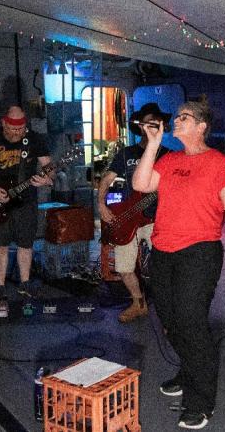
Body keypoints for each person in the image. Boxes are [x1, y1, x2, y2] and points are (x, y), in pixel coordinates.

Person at [132, 100, 225, 429]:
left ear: (202, 126)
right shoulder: (170, 159)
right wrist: (154, 145)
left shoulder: (217, 161)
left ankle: (201, 400)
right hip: (163, 252)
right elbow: (140, 185)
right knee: (171, 321)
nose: (175, 121)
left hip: (199, 252)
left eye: (183, 117)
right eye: (176, 117)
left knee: (191, 321)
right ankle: (189, 369)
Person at [0, 106, 53, 315]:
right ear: (4, 123)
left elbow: (48, 165)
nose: (17, 133)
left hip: (26, 201)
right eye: (12, 129)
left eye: (21, 129)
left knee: (26, 243)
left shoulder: (34, 140)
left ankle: (25, 284)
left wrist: (46, 179)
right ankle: (0, 287)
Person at [97, 103, 171, 323]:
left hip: (158, 220)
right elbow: (107, 179)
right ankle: (138, 303)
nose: (151, 127)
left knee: (164, 267)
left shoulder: (169, 156)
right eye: (147, 123)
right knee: (123, 268)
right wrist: (101, 203)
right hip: (128, 216)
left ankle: (169, 311)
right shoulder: (126, 153)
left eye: (155, 123)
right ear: (139, 127)